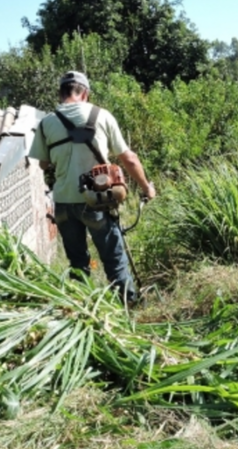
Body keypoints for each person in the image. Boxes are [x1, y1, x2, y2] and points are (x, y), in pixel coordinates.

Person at [28, 70, 156, 304]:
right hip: (97, 200)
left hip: (64, 202)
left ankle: (82, 311)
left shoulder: (46, 122)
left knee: (77, 264)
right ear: (84, 93)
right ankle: (128, 307)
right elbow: (129, 159)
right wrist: (147, 188)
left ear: (61, 93)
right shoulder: (101, 115)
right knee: (114, 260)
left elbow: (43, 163)